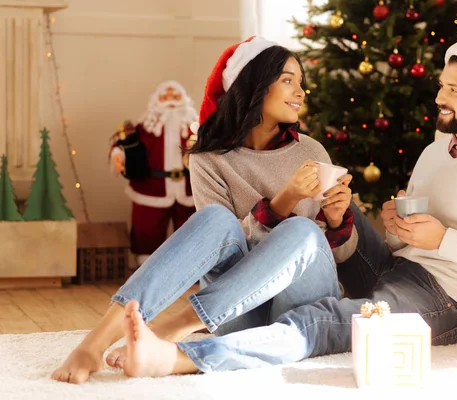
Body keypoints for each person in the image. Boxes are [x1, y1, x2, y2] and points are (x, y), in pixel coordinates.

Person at [88, 37, 457, 377]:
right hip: (398, 265)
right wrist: (389, 225)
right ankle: (149, 323)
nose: (438, 97)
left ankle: (181, 356)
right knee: (327, 225)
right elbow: (383, 244)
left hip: (444, 297)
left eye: (453, 90)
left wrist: (443, 240)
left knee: (324, 319)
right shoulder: (437, 150)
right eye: (442, 85)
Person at [50, 36, 359, 384]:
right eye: (288, 80)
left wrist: (335, 220)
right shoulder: (208, 159)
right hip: (239, 311)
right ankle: (95, 343)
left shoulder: (312, 151)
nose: (301, 92)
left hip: (301, 307)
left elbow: (339, 253)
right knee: (214, 218)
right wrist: (281, 202)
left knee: (300, 231)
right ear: (254, 84)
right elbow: (216, 246)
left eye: (301, 83)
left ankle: (176, 325)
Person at [109, 81, 198, 267]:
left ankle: (190, 267)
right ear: (156, 101)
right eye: (165, 97)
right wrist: (118, 155)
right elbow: (122, 144)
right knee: (147, 229)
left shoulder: (195, 128)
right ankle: (146, 268)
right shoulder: (145, 128)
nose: (170, 102)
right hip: (151, 187)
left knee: (192, 230)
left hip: (189, 188)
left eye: (175, 97)